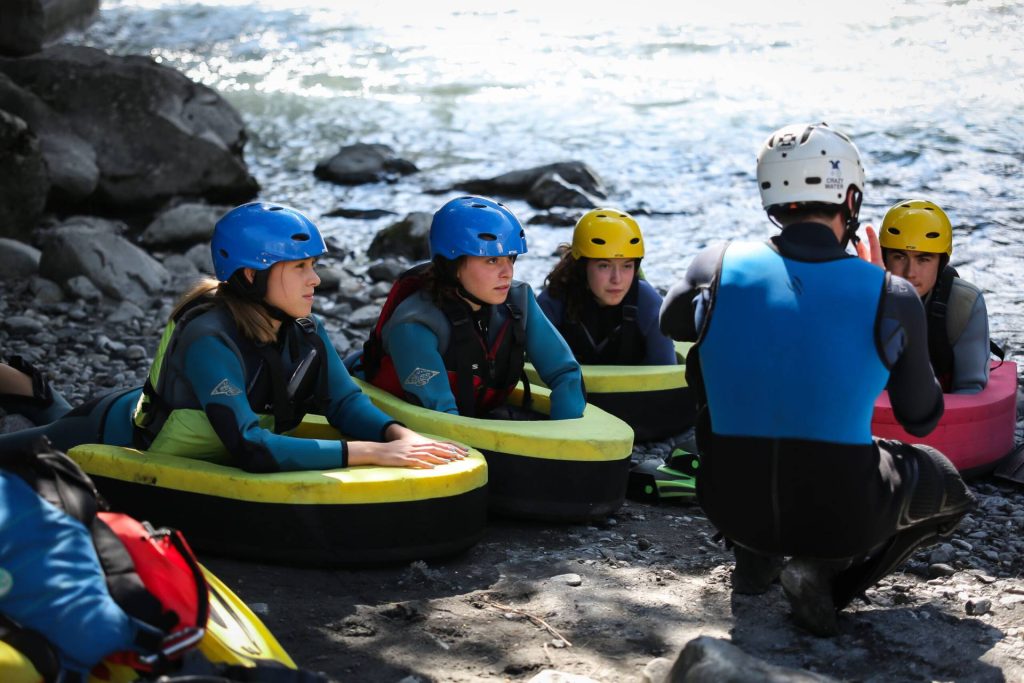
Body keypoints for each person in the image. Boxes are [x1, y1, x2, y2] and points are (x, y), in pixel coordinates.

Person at [659, 122, 974, 636]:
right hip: (840, 511)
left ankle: (754, 558)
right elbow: (922, 417)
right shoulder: (890, 293)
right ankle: (825, 575)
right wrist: (889, 315)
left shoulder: (716, 262)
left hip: (727, 499)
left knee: (709, 370)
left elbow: (672, 322)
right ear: (850, 198)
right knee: (948, 486)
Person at [0, 202, 466, 471]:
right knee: (15, 457)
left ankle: (30, 390)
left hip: (177, 425)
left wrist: (400, 436)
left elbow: (344, 404)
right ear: (250, 274)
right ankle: (29, 390)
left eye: (314, 267)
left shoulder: (306, 330)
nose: (316, 281)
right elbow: (247, 445)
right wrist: (373, 453)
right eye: (300, 267)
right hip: (109, 428)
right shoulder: (209, 337)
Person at [354, 195, 585, 420]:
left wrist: (569, 434)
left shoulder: (519, 300)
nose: (507, 273)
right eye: (492, 260)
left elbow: (566, 373)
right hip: (397, 418)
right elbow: (441, 418)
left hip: (475, 412)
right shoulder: (415, 325)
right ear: (453, 264)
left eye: (511, 258)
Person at [538, 208, 676, 366]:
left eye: (627, 266)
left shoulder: (649, 304)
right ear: (582, 266)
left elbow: (667, 372)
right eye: (604, 266)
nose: (617, 279)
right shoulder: (552, 303)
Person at [879, 198, 990, 393]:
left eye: (923, 259)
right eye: (899, 256)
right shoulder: (863, 298)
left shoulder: (964, 304)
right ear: (884, 258)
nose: (910, 272)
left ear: (941, 263)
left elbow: (970, 389)